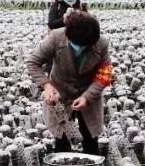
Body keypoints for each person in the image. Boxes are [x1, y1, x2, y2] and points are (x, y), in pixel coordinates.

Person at [26, 11, 113, 156]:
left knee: (90, 137)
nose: (82, 49)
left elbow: (104, 74)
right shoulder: (56, 37)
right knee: (62, 136)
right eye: (79, 46)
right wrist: (46, 85)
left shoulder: (101, 43)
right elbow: (33, 62)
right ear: (68, 36)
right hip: (60, 92)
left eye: (87, 47)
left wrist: (87, 97)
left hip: (88, 91)